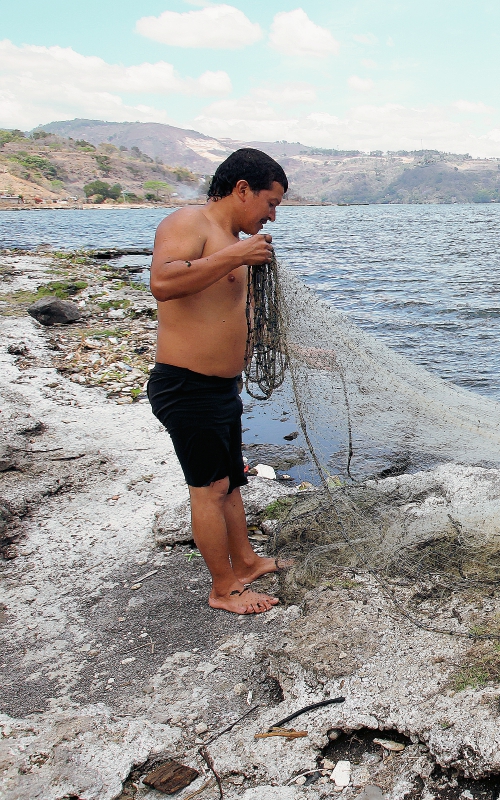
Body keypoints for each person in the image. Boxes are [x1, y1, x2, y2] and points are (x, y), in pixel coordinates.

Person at [147, 148, 290, 614]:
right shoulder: (189, 223)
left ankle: (245, 562)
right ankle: (223, 589)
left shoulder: (233, 241)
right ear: (242, 189)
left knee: (231, 482)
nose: (272, 216)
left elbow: (236, 318)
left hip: (220, 389)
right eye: (270, 204)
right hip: (185, 386)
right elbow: (164, 282)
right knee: (208, 490)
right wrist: (235, 255)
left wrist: (301, 351)